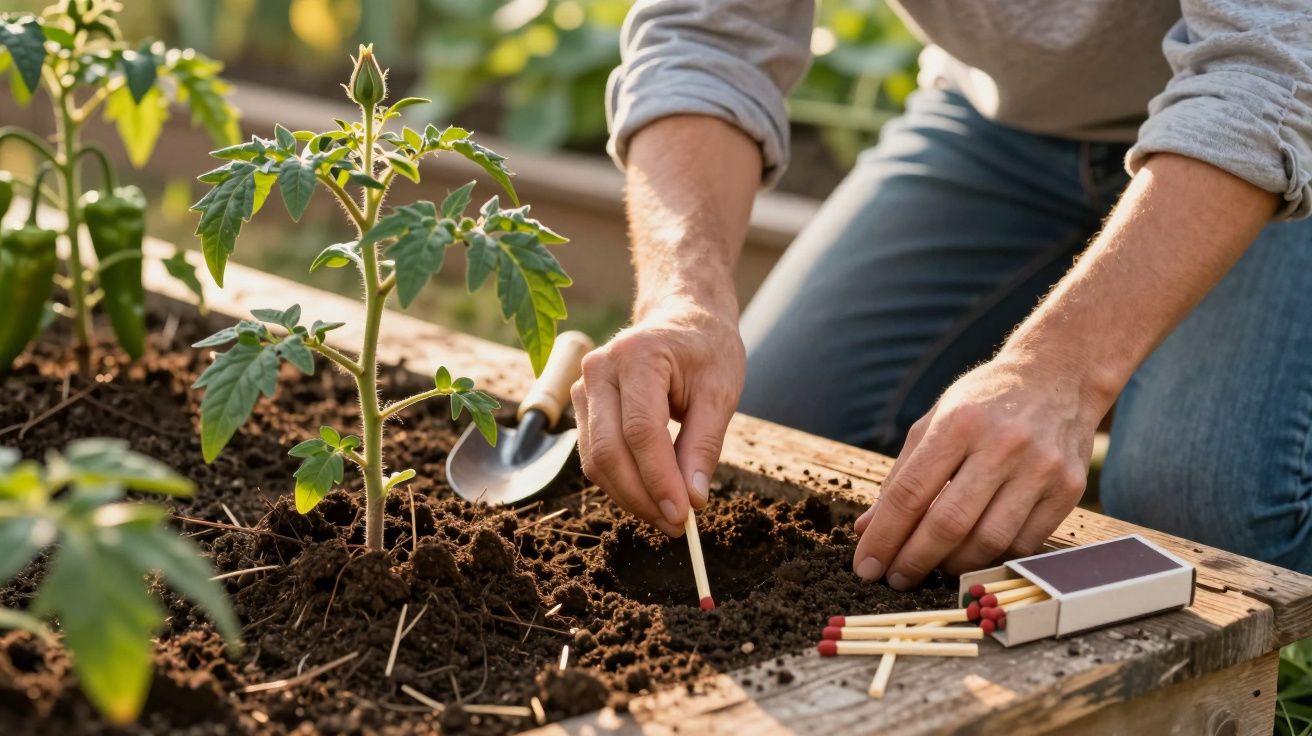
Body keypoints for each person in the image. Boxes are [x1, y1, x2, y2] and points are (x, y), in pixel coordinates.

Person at [570, 0, 1312, 583]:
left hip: (1283, 115)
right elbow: (706, 35)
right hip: (1005, 124)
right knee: (777, 433)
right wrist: (684, 296)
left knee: (1198, 512)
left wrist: (1057, 374)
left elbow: (1270, 72)